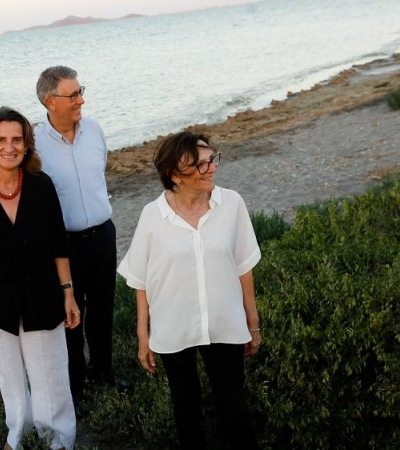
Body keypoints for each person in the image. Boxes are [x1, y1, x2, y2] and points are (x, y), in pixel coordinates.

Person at [117, 131, 262, 449]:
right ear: (173, 175)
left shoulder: (231, 204)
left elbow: (243, 266)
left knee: (234, 407)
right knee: (186, 409)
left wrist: (252, 323)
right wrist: (144, 335)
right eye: (199, 165)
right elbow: (140, 279)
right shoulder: (153, 216)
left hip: (225, 322)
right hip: (173, 326)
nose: (210, 169)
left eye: (212, 160)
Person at [0, 106, 80, 450]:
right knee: (10, 380)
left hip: (43, 299)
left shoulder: (41, 186)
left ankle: (58, 442)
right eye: (1, 140)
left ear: (27, 145)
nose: (10, 147)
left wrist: (68, 293)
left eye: (17, 140)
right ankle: (17, 439)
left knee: (50, 379)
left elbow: (58, 244)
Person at [34, 66, 126, 403]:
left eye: (80, 91)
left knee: (103, 309)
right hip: (63, 246)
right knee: (71, 316)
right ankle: (76, 388)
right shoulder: (34, 145)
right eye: (73, 95)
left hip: (103, 235)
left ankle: (104, 372)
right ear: (50, 101)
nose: (81, 100)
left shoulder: (96, 131)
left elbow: (100, 175)